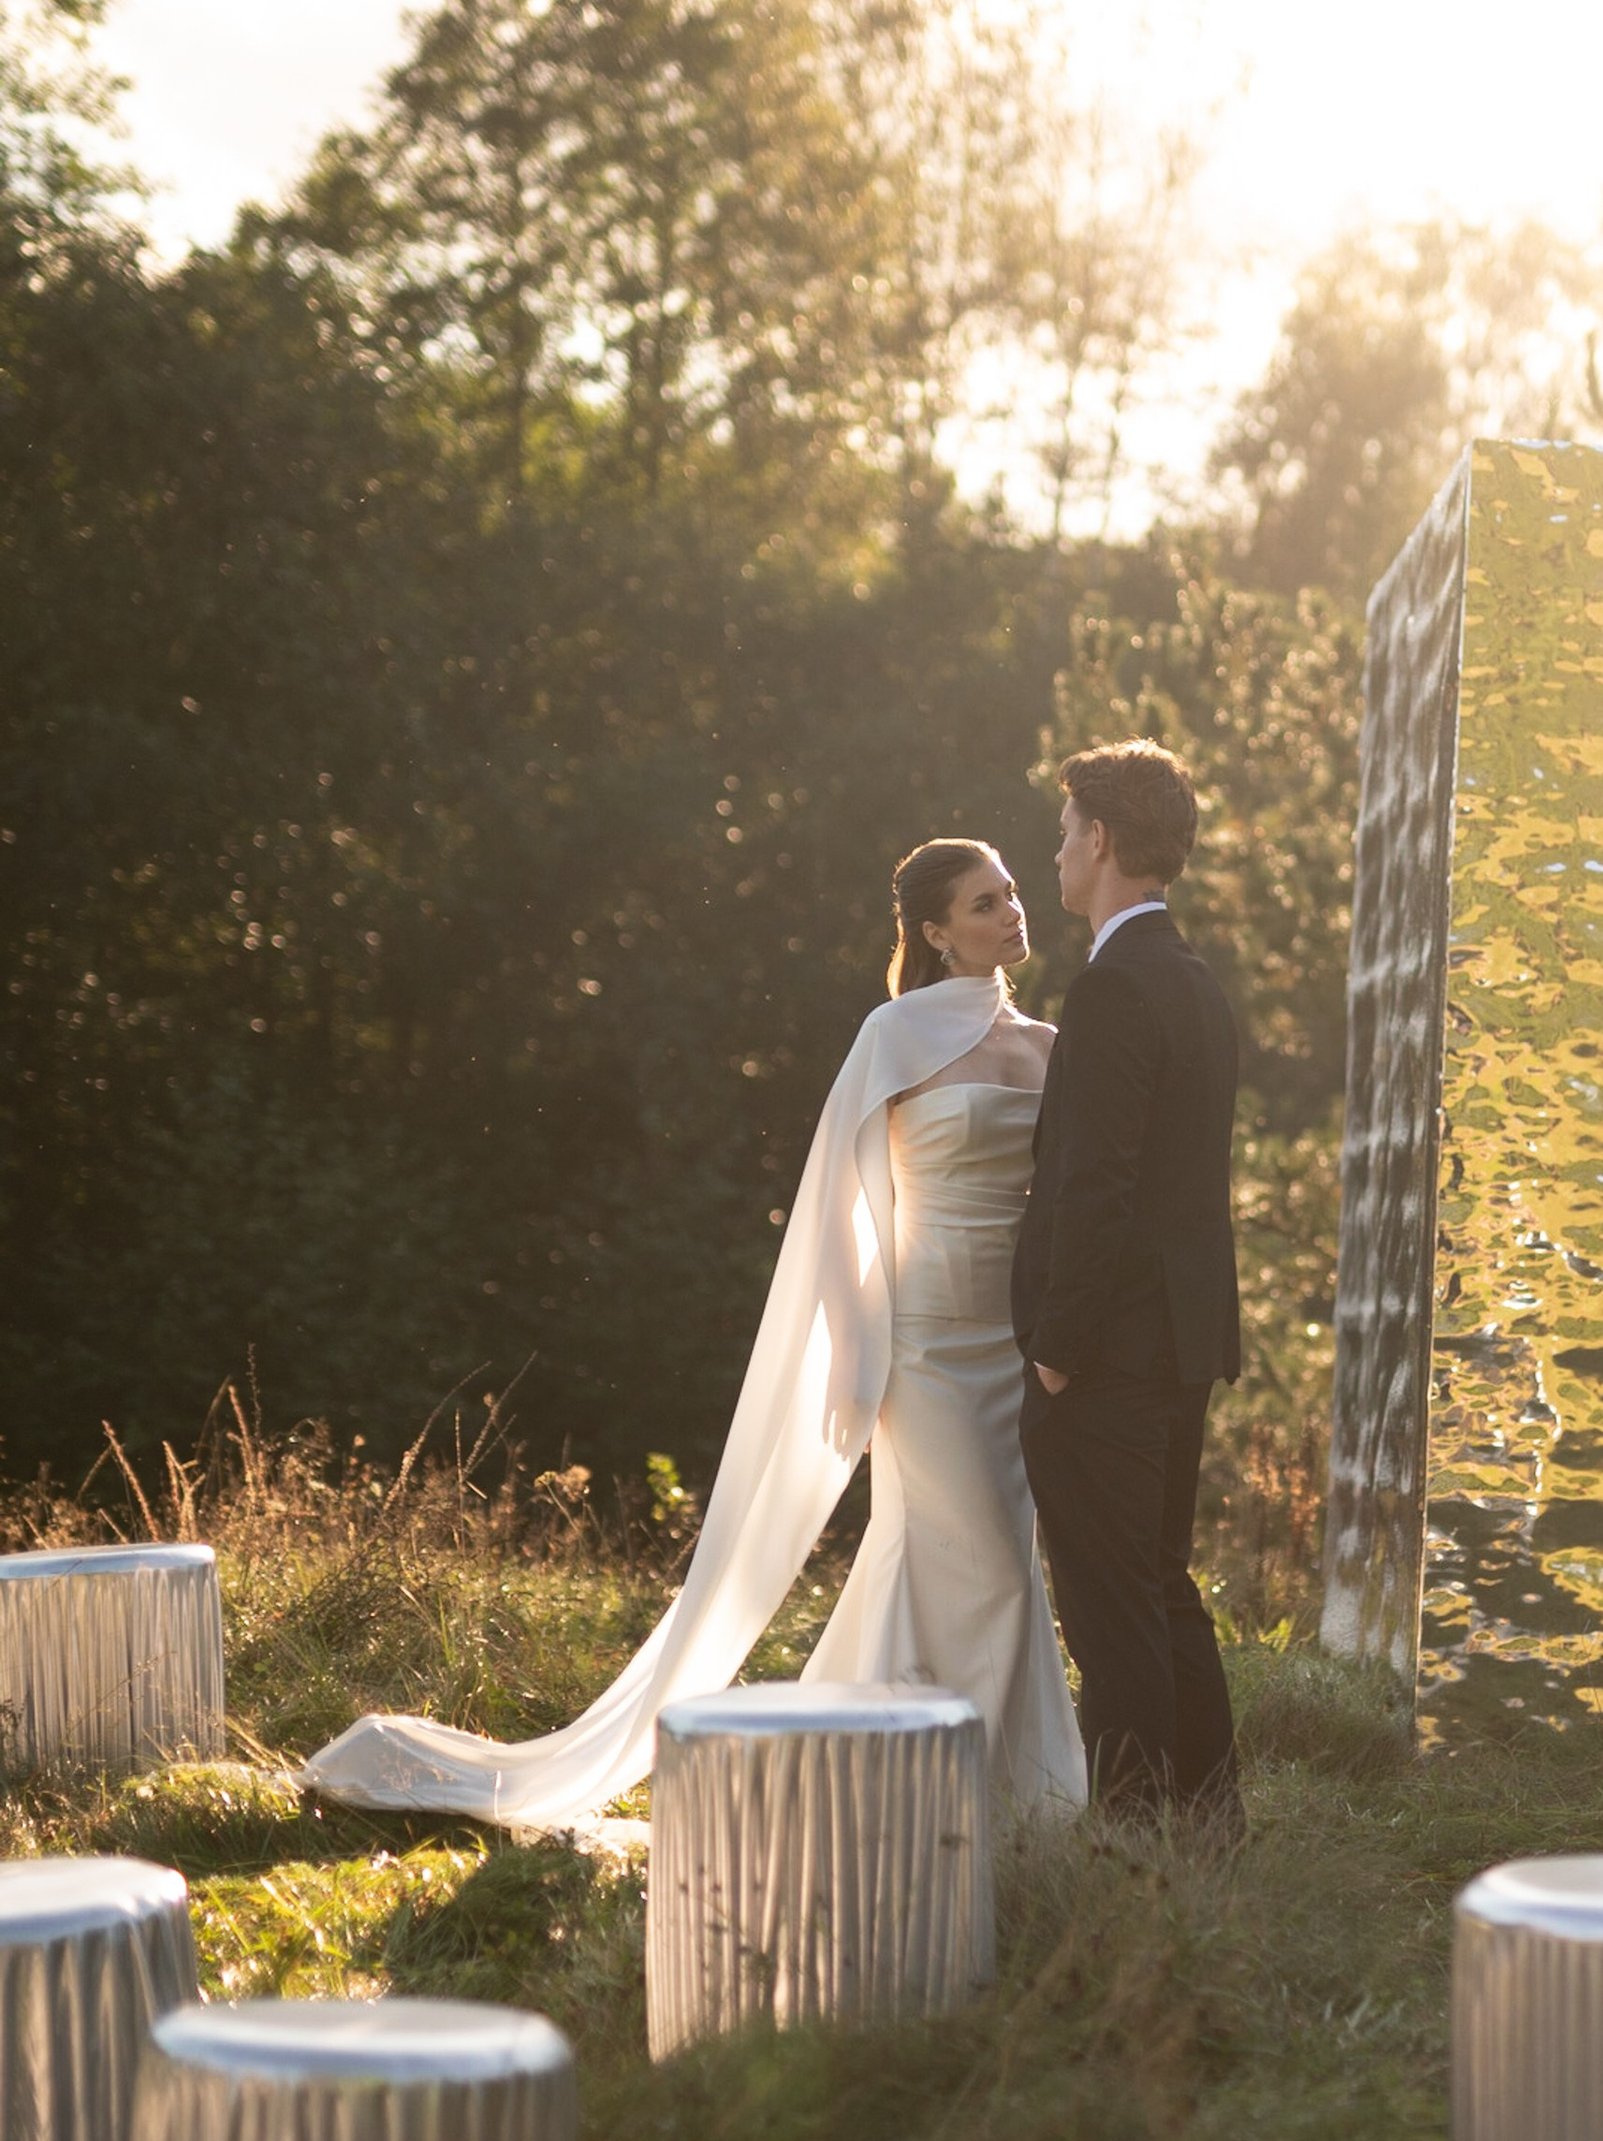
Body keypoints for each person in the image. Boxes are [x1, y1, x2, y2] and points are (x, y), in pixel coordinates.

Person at [302, 839, 1085, 1826]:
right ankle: (988, 1793)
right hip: (924, 1339)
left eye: (1012, 893)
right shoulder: (893, 1035)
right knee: (986, 1557)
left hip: (1009, 1340)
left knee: (967, 1551)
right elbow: (834, 1198)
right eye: (984, 902)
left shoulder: (1056, 1046)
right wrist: (853, 1340)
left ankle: (914, 1779)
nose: (1011, 912)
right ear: (934, 931)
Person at [1015, 738, 1244, 1829]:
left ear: (1100, 839)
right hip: (1184, 1340)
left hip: (1106, 1352)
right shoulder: (1196, 983)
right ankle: (1208, 1820)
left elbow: (1094, 1189)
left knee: (1111, 1616)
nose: (1056, 854)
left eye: (1063, 834)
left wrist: (1057, 1350)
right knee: (1160, 1588)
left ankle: (1137, 1834)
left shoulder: (1111, 989)